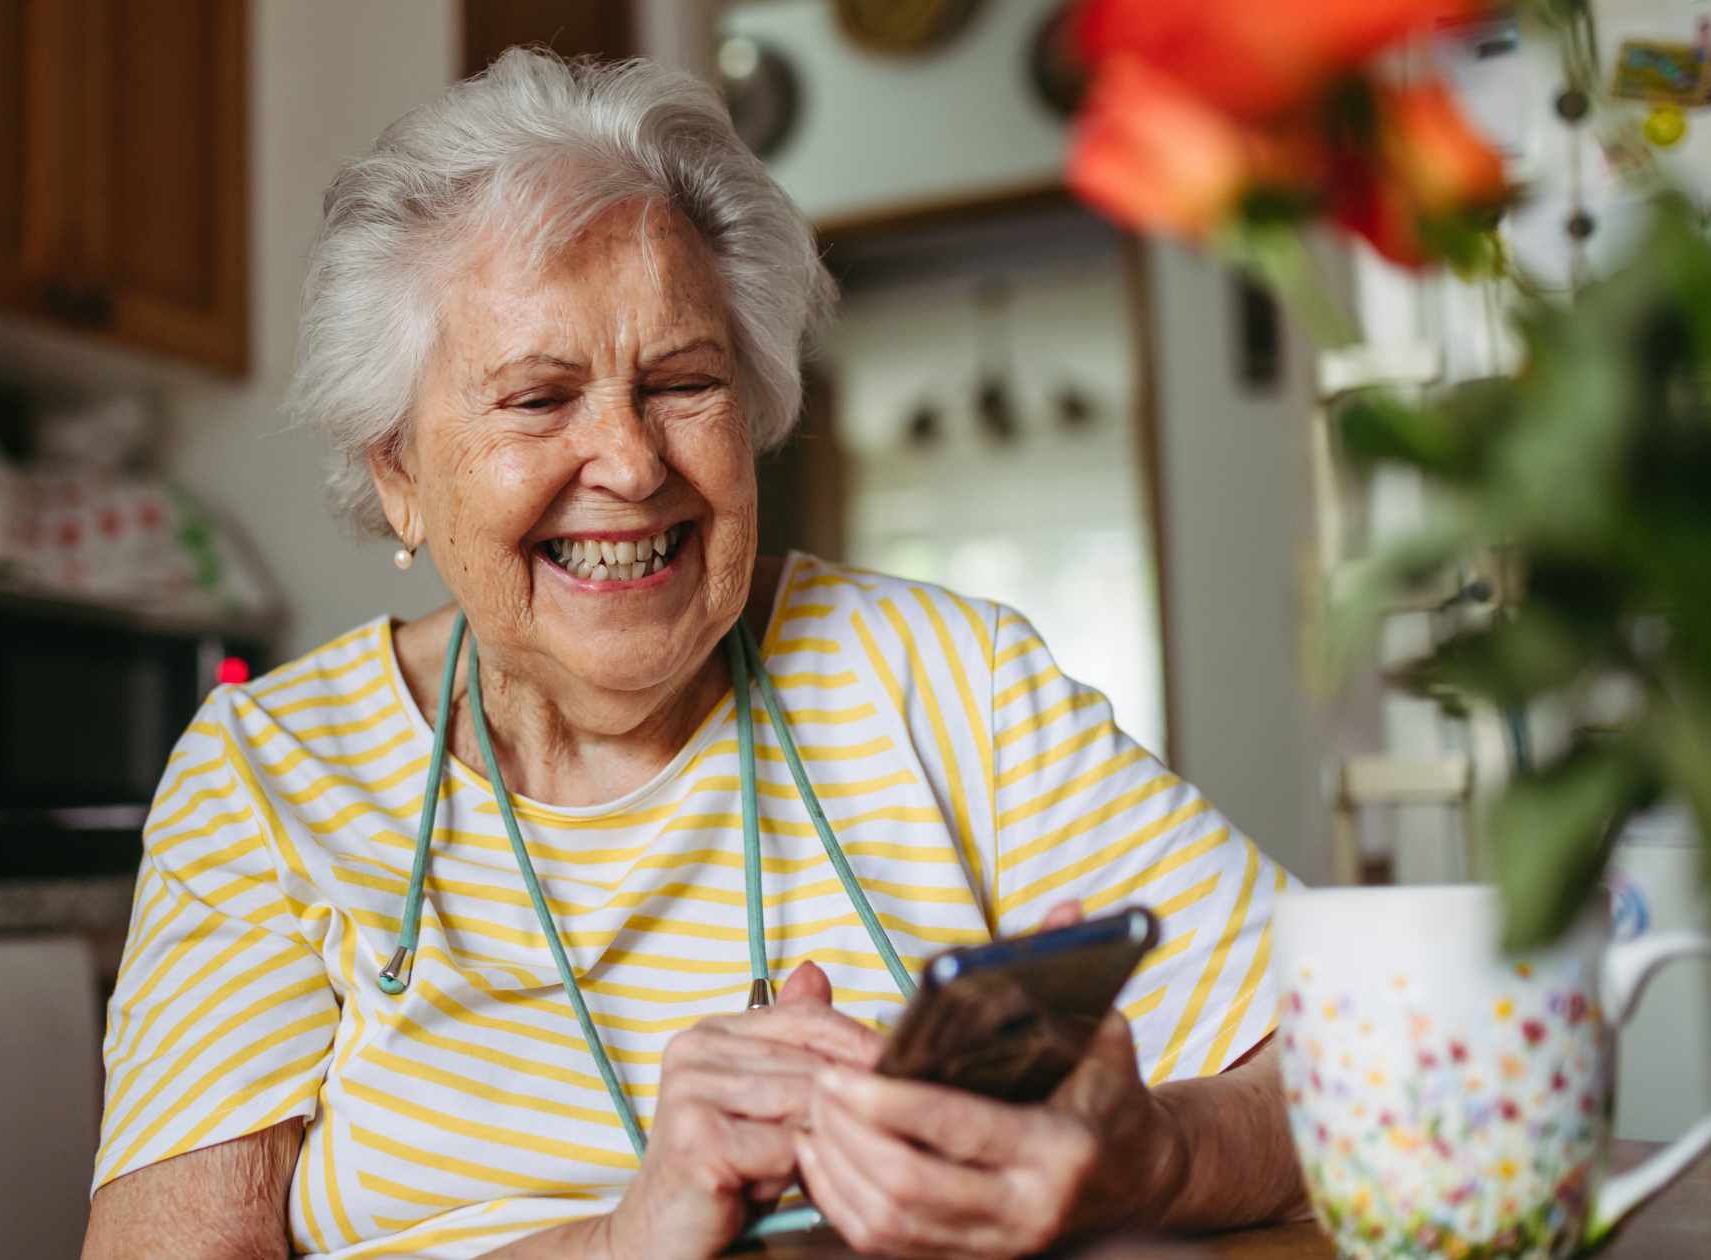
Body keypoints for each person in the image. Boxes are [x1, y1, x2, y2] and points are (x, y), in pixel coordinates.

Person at [81, 51, 1305, 1260]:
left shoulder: (944, 679)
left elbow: (1346, 1067)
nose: (628, 462)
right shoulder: (270, 780)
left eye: (680, 383)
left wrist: (1146, 1158)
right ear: (399, 472)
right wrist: (622, 1243)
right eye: (536, 399)